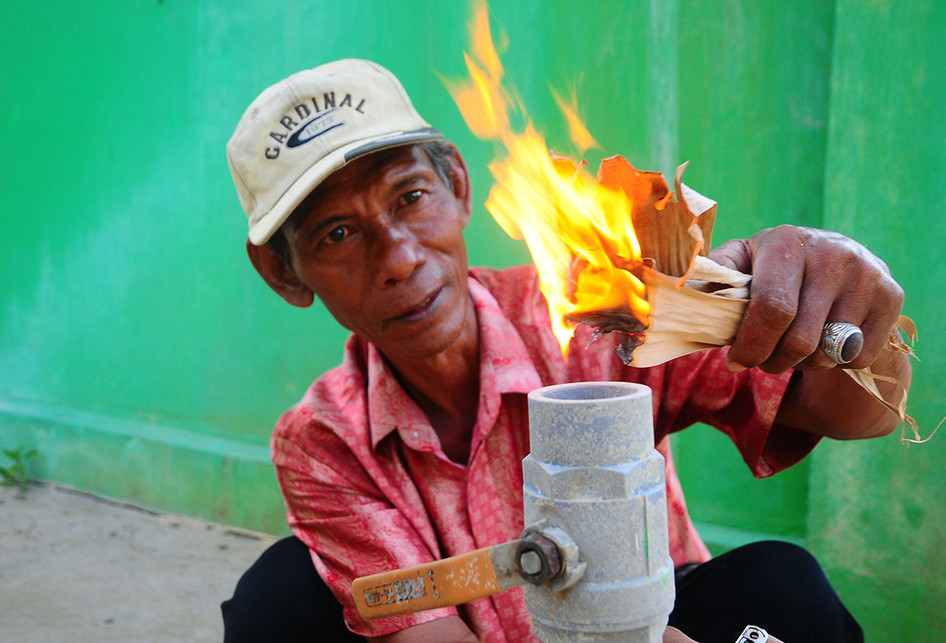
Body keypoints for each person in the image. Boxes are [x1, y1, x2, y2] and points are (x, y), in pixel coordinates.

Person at [221, 59, 911, 643]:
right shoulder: (322, 441)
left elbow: (851, 410)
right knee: (277, 600)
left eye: (411, 195)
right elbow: (424, 632)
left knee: (781, 587)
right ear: (285, 273)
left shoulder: (598, 310)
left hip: (654, 612)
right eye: (336, 234)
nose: (399, 258)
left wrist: (849, 320)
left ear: (458, 186)